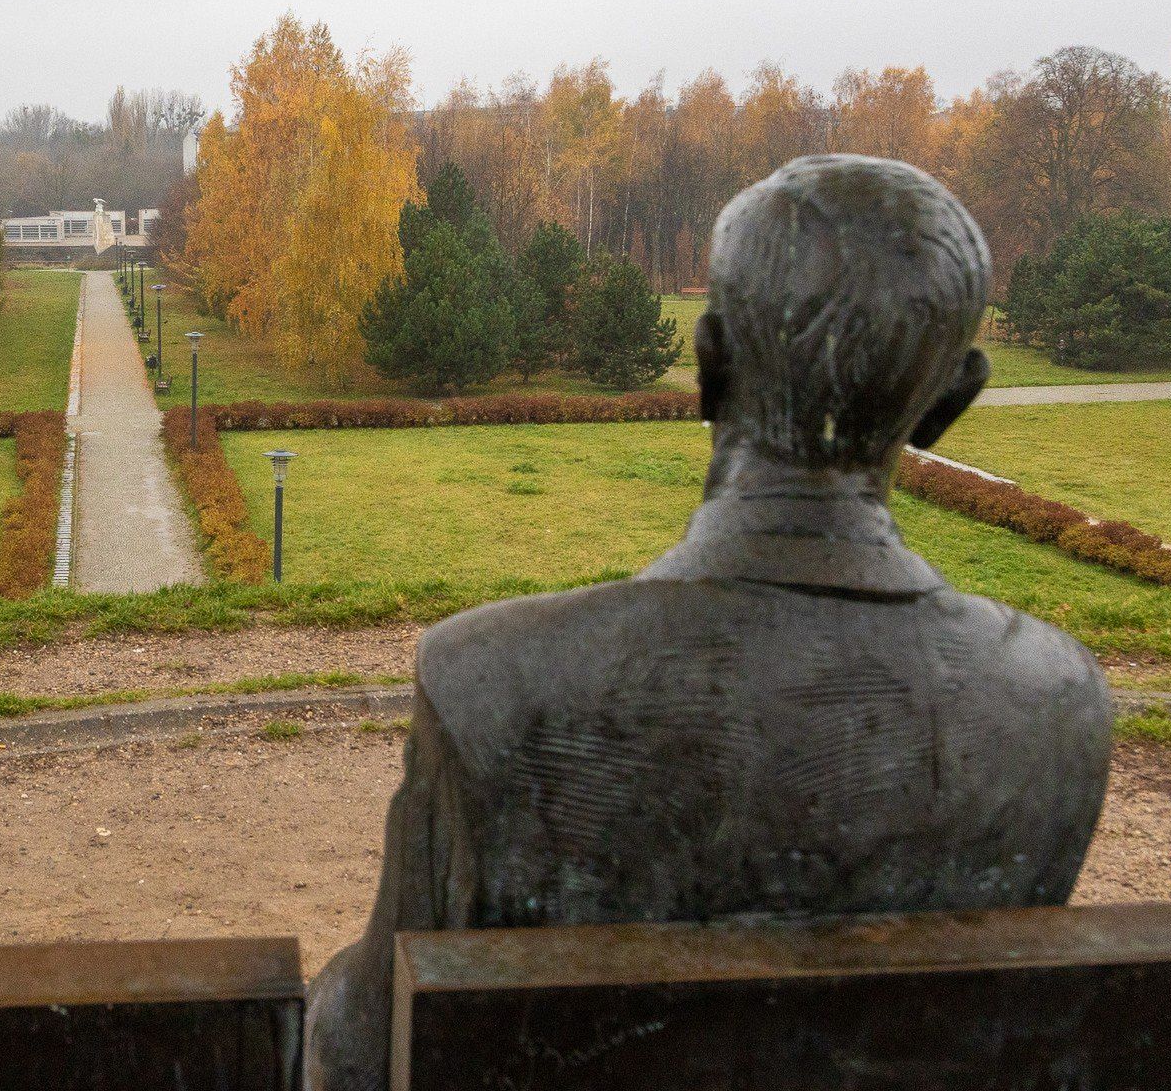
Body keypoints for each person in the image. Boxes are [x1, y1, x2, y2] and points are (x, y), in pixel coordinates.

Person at [304, 155, 1112, 1090]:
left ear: (708, 360)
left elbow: (361, 1052)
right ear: (952, 401)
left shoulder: (491, 683)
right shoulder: (1058, 705)